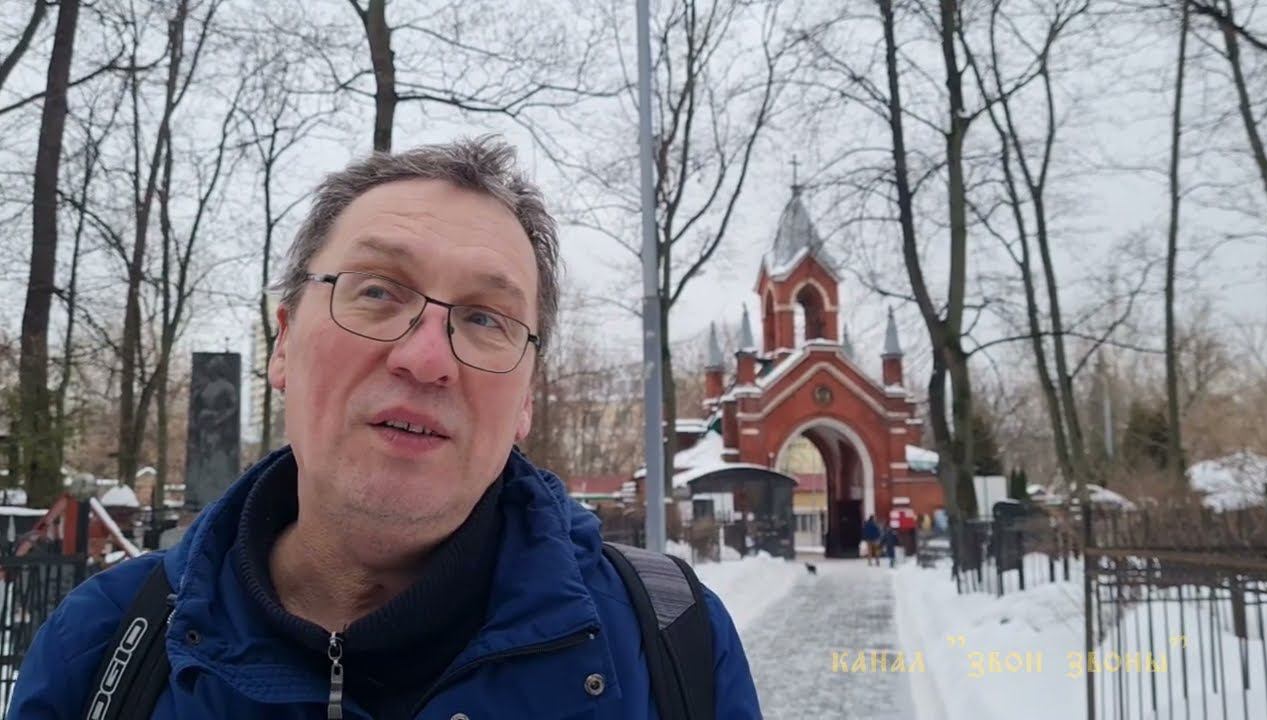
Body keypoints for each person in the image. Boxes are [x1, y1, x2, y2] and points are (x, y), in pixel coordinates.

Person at [10, 137, 761, 719]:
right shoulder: (102, 644)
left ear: (526, 400)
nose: (427, 358)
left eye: (485, 319)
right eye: (376, 291)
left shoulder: (672, 644)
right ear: (283, 343)